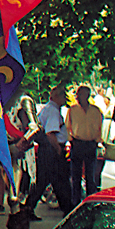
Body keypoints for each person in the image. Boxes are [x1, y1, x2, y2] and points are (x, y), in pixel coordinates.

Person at [24, 85, 73, 218]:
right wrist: (58, 149)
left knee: (51, 180)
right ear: (56, 97)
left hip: (46, 150)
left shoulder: (47, 109)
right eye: (63, 96)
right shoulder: (53, 111)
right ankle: (67, 208)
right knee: (57, 180)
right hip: (51, 149)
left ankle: (66, 207)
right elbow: (51, 133)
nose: (64, 99)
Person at [66, 85, 102, 204]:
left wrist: (97, 142)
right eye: (80, 94)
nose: (82, 97)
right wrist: (71, 140)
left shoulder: (95, 111)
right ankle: (75, 202)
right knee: (76, 176)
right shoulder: (72, 110)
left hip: (91, 144)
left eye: (85, 94)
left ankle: (90, 202)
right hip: (77, 143)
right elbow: (67, 127)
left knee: (90, 176)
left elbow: (99, 128)